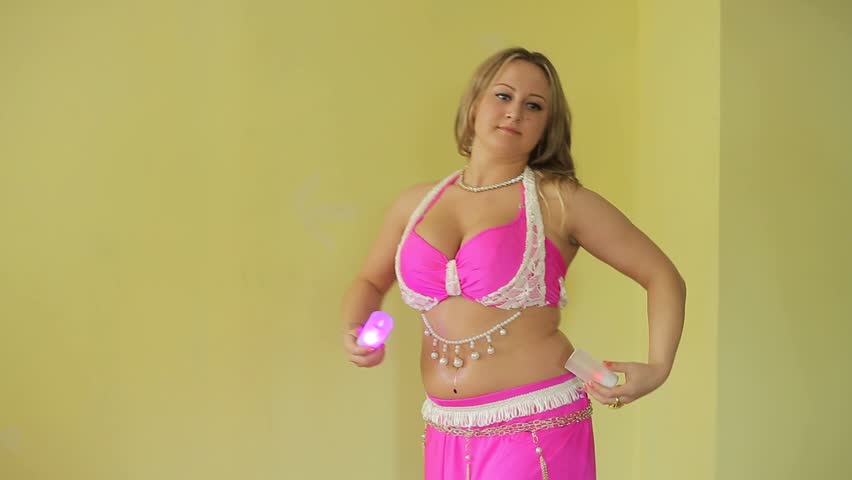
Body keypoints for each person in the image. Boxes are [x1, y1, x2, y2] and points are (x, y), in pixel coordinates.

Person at [341, 47, 686, 480]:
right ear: (474, 104)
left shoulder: (560, 201)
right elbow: (370, 281)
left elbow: (662, 275)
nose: (515, 112)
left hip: (535, 427)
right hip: (445, 429)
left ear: (546, 127)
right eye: (503, 96)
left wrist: (658, 367)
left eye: (534, 105)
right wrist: (355, 330)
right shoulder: (414, 204)